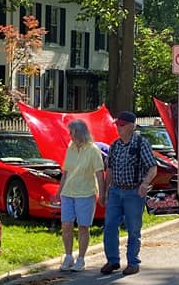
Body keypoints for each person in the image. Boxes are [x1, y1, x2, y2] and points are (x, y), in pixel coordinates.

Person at [102, 110, 158, 276]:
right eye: (117, 124)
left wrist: (144, 184)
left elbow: (152, 168)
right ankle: (112, 260)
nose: (118, 128)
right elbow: (109, 169)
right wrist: (105, 190)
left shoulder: (141, 143)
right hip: (116, 191)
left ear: (131, 126)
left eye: (122, 125)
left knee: (133, 229)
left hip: (134, 193)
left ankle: (133, 262)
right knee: (110, 226)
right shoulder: (115, 145)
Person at [58, 119, 106, 272]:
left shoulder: (93, 150)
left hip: (85, 193)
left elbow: (99, 173)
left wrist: (102, 193)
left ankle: (81, 258)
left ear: (79, 133)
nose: (69, 135)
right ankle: (68, 256)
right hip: (68, 192)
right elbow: (65, 172)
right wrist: (58, 192)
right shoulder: (70, 148)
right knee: (66, 225)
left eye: (71, 132)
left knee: (83, 227)